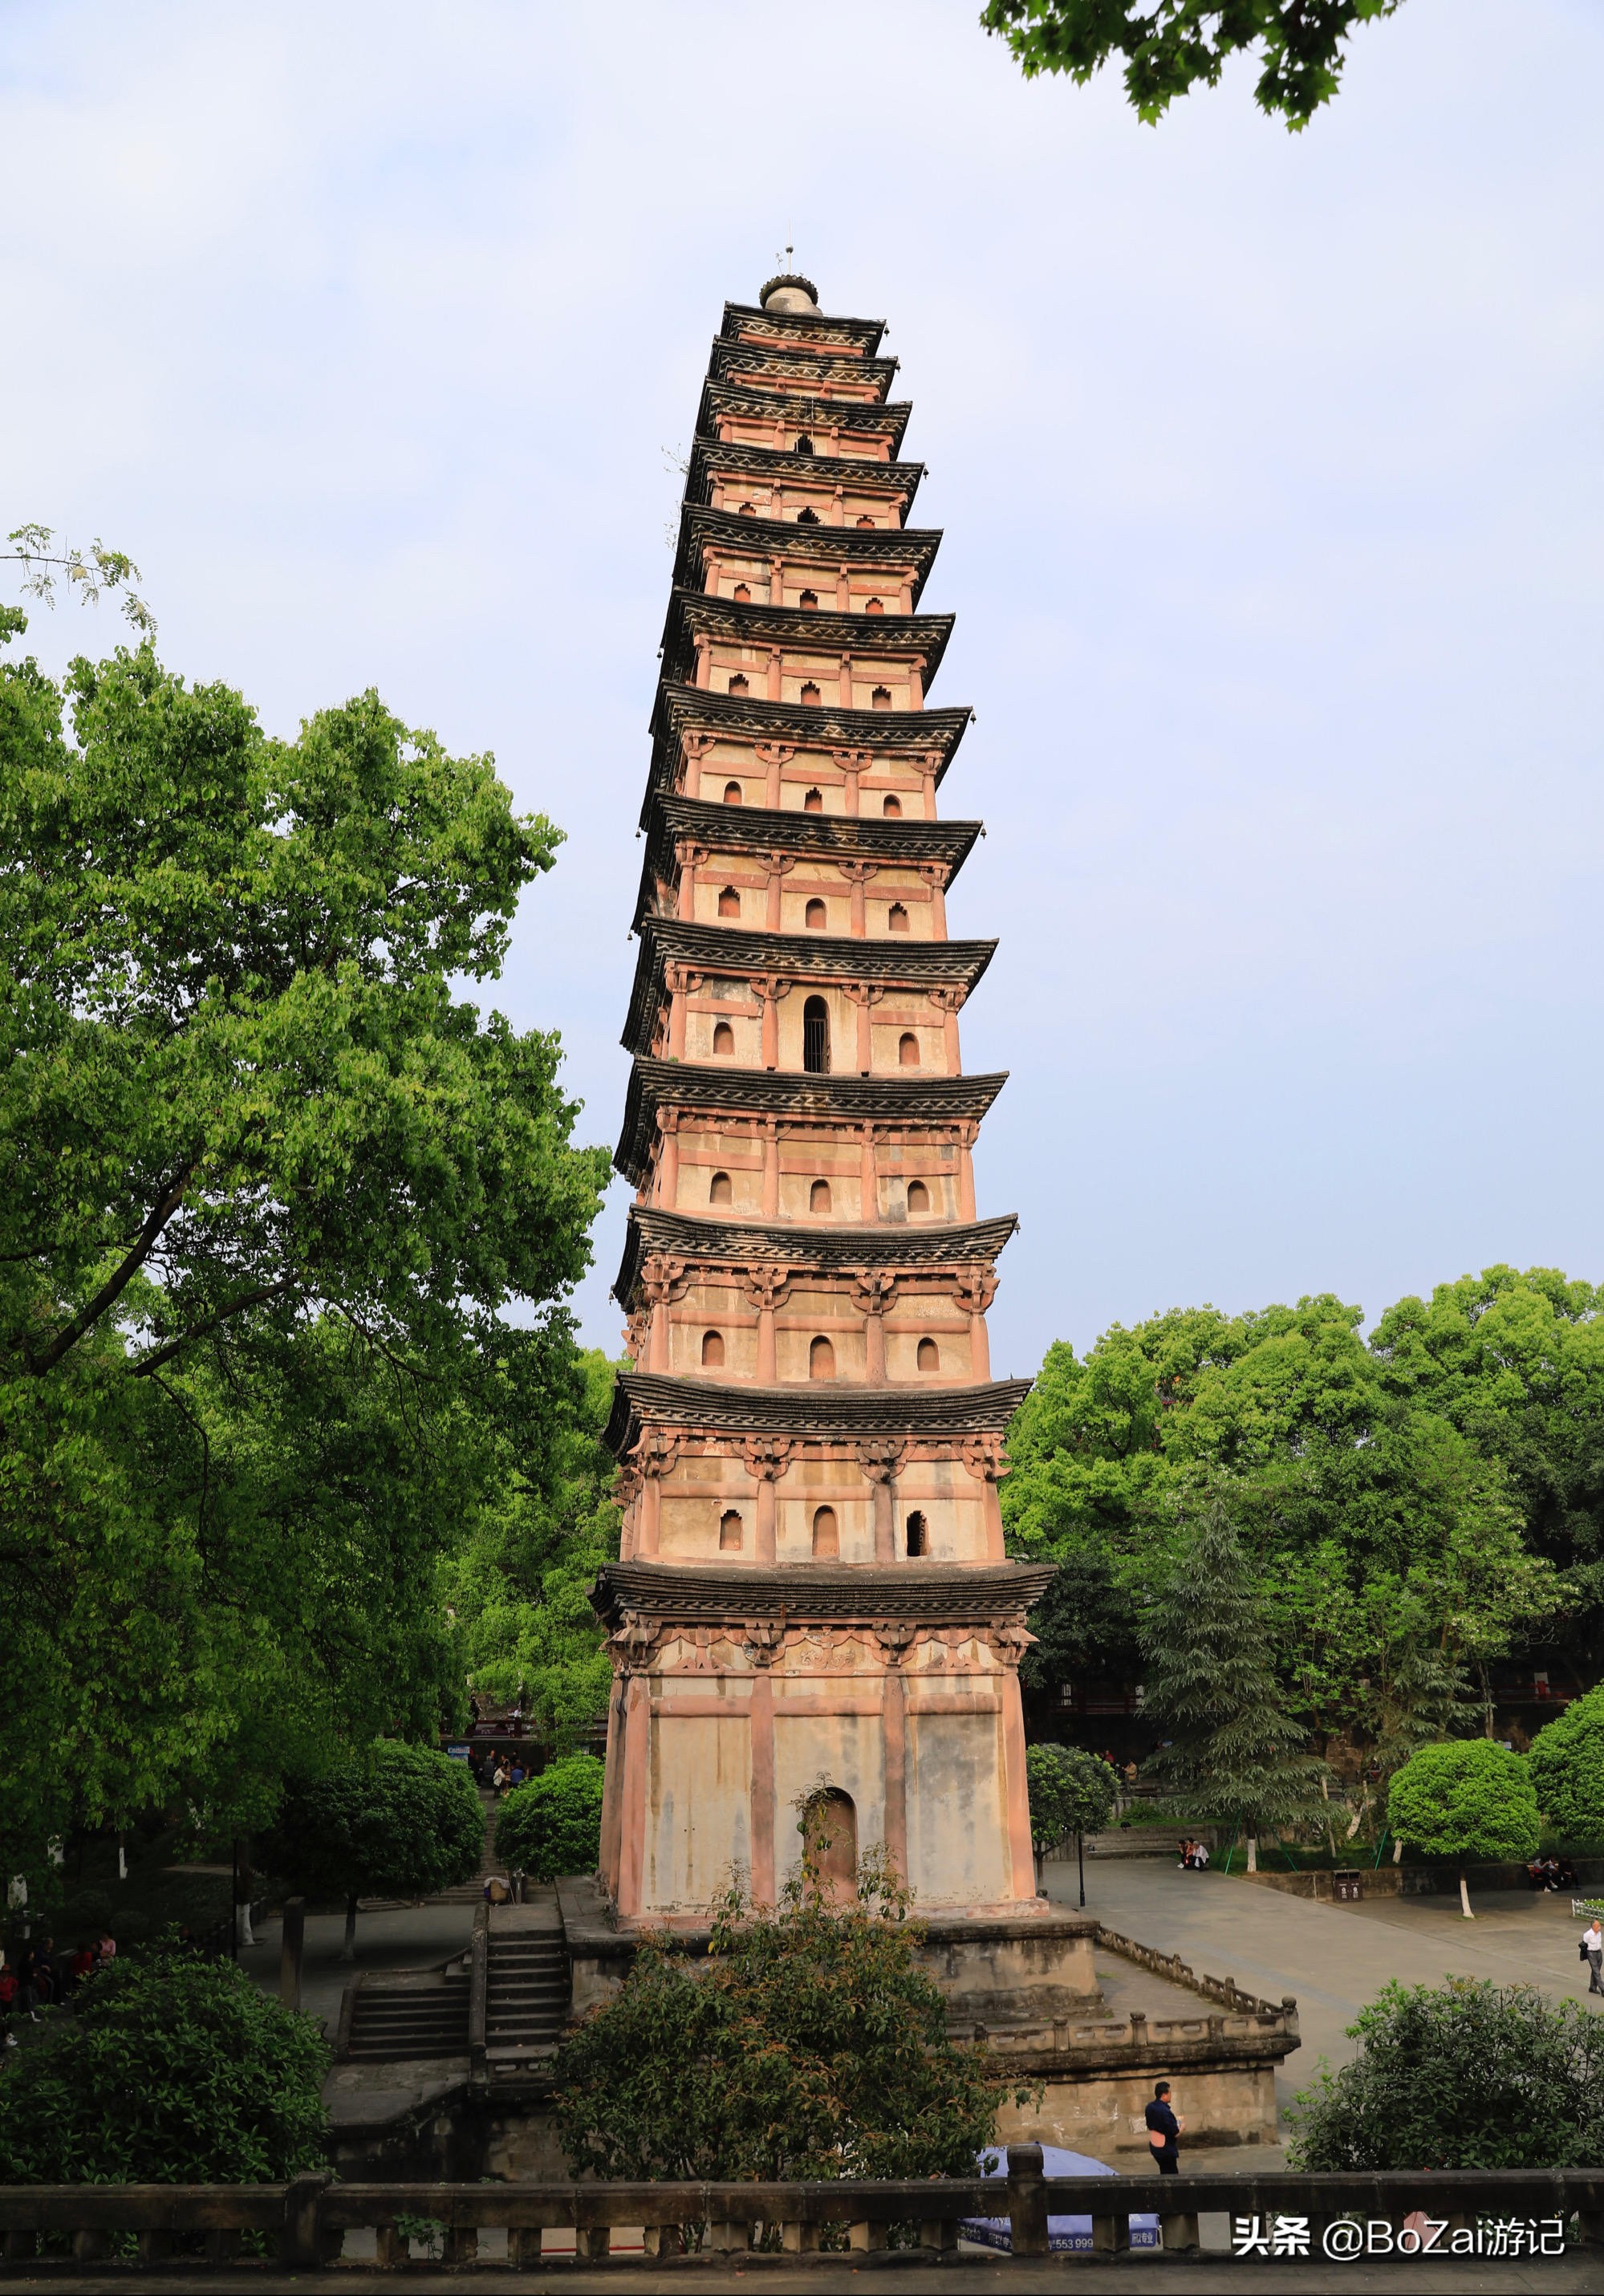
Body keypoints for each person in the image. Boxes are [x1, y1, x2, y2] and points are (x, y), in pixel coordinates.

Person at [1145, 2080, 1183, 2174]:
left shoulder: (1150, 2107)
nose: (1171, 2095)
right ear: (1164, 2095)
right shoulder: (1165, 2111)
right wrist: (1182, 2126)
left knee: (1164, 2171)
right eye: (1170, 2093)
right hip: (1165, 2148)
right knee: (1172, 2174)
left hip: (1154, 2146)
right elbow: (1176, 2133)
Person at [1582, 1916, 1603, 1998]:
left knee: (1596, 1971)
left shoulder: (1599, 1933)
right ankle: (1603, 1988)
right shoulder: (1587, 1935)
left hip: (1599, 1952)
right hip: (1591, 1953)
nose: (1600, 1927)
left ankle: (1592, 1987)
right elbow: (1584, 1944)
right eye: (1598, 1926)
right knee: (1597, 1972)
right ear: (1593, 1927)